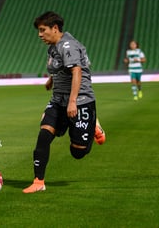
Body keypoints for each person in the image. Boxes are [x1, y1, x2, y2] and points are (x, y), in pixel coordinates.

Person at [23, 11, 105, 194]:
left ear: (55, 28)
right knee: (44, 135)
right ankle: (39, 182)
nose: (39, 34)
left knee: (78, 152)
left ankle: (93, 126)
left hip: (80, 101)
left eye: (43, 30)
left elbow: (77, 72)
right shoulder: (53, 46)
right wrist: (51, 80)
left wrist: (73, 102)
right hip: (58, 100)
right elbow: (60, 67)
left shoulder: (68, 46)